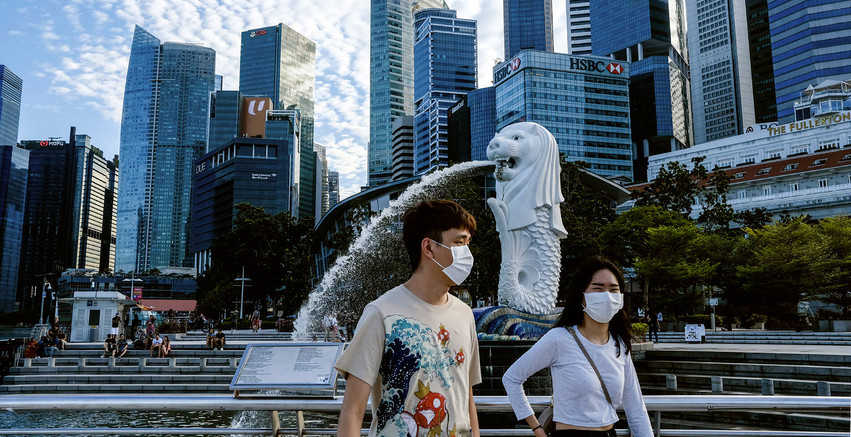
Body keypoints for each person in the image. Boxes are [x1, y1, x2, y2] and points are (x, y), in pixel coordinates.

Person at [336, 199, 481, 436]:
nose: (467, 254)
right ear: (429, 247)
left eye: (467, 244)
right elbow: (352, 411)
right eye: (458, 243)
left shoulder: (465, 314)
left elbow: (466, 397)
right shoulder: (381, 313)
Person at [502, 256, 653, 437]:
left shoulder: (619, 345)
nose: (607, 296)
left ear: (620, 298)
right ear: (581, 296)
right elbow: (511, 378)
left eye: (614, 289)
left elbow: (636, 408)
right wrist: (537, 428)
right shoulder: (559, 338)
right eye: (598, 288)